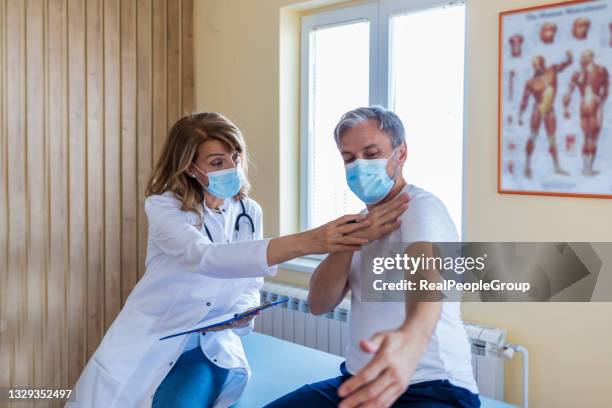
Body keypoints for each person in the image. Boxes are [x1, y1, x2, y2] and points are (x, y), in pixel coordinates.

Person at [69, 112, 404, 408]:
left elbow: (250, 281)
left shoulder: (248, 211)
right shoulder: (164, 206)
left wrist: (243, 314)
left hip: (210, 343)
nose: (232, 167)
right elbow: (205, 257)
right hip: (155, 335)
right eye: (217, 162)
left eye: (235, 156)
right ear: (190, 168)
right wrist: (312, 240)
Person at [265, 106, 480, 408]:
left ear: (400, 153)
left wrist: (411, 338)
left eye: (371, 153)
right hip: (357, 380)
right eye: (349, 158)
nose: (359, 166)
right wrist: (353, 239)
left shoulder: (421, 209)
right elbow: (318, 303)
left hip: (432, 386)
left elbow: (428, 278)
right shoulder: (360, 223)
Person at [519, 52, 573, 178]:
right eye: (534, 65)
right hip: (537, 109)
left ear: (543, 63)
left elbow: (564, 65)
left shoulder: (552, 70)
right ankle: (527, 166)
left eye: (538, 64)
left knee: (552, 138)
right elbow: (524, 99)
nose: (536, 67)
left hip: (550, 110)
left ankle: (557, 167)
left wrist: (569, 58)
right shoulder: (531, 82)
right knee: (533, 136)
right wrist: (521, 114)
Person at [563, 49, 609, 176]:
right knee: (593, 137)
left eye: (583, 57)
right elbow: (605, 91)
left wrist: (565, 108)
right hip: (594, 103)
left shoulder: (578, 74)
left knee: (586, 136)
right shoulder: (601, 70)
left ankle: (586, 167)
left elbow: (567, 94)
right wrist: (601, 102)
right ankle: (589, 168)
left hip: (584, 104)